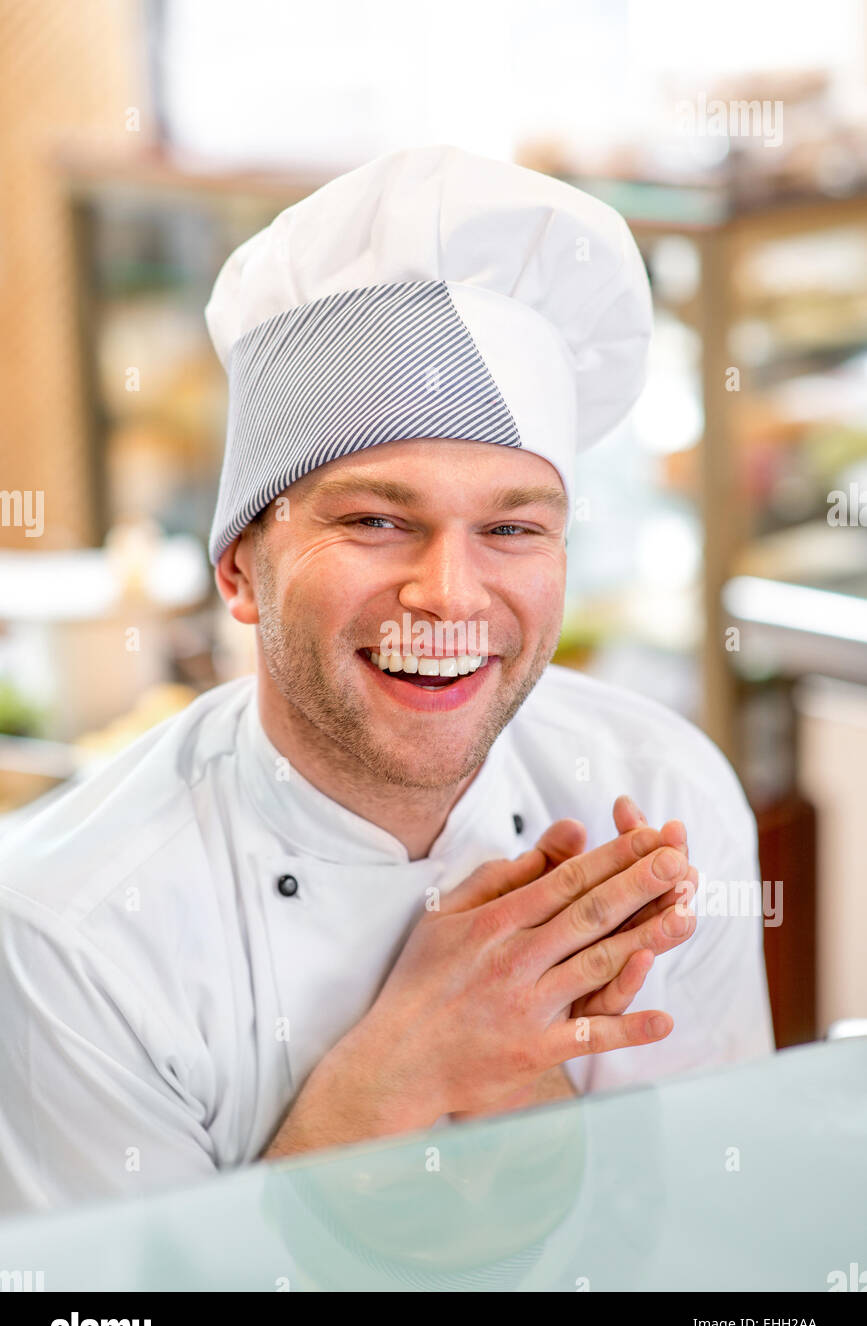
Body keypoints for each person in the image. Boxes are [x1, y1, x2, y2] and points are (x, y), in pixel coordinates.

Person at [0, 144, 774, 1214]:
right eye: (375, 520)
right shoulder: (67, 930)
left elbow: (721, 1265)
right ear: (240, 567)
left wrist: (511, 1067)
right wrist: (384, 1083)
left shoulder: (663, 798)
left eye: (511, 525)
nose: (451, 596)